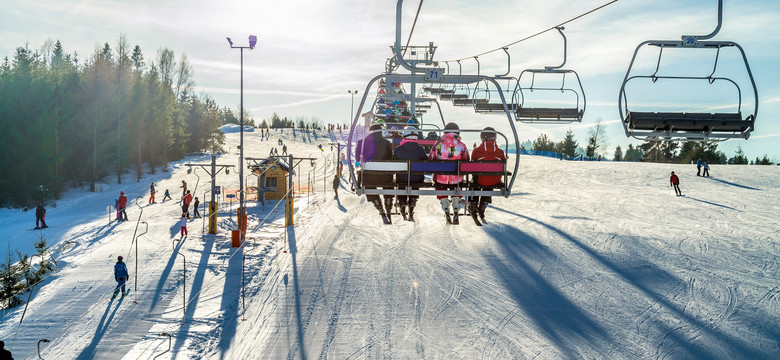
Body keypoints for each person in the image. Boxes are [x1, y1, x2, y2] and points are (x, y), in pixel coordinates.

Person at [429, 122, 469, 224]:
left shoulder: (437, 144)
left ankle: (445, 207)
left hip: (441, 179)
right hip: (457, 179)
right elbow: (467, 160)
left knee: (438, 180)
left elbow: (431, 159)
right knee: (458, 181)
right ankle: (456, 206)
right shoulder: (462, 145)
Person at [356, 123, 394, 224]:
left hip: (369, 177)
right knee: (389, 183)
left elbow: (357, 158)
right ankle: (388, 204)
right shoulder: (387, 143)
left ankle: (380, 208)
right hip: (385, 176)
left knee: (369, 185)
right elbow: (391, 158)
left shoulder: (362, 142)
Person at [468, 127, 506, 224]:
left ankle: (473, 204)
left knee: (475, 181)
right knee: (490, 180)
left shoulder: (477, 151)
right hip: (494, 181)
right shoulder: (500, 152)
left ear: (482, 138)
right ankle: (482, 207)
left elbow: (472, 166)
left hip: (480, 180)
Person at [393, 126, 428, 221]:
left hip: (402, 178)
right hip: (417, 179)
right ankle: (412, 205)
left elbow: (393, 164)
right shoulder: (420, 149)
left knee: (401, 182)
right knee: (415, 181)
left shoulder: (398, 149)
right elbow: (426, 163)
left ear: (404, 136)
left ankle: (402, 203)